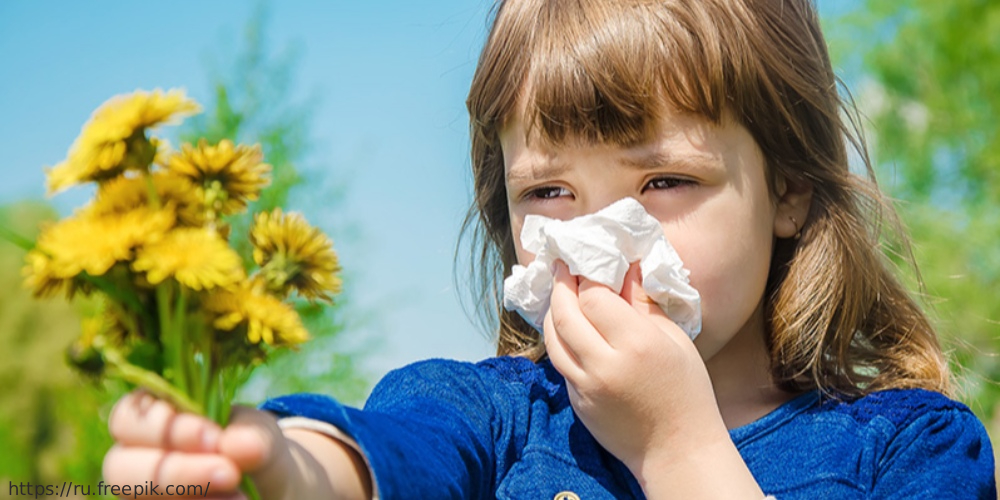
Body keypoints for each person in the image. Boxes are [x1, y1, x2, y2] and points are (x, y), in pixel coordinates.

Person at [101, 0, 997, 498]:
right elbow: (392, 454)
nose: (602, 248)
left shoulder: (909, 448)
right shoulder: (499, 418)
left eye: (665, 184)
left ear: (789, 190)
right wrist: (274, 466)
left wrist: (677, 447)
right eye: (550, 193)